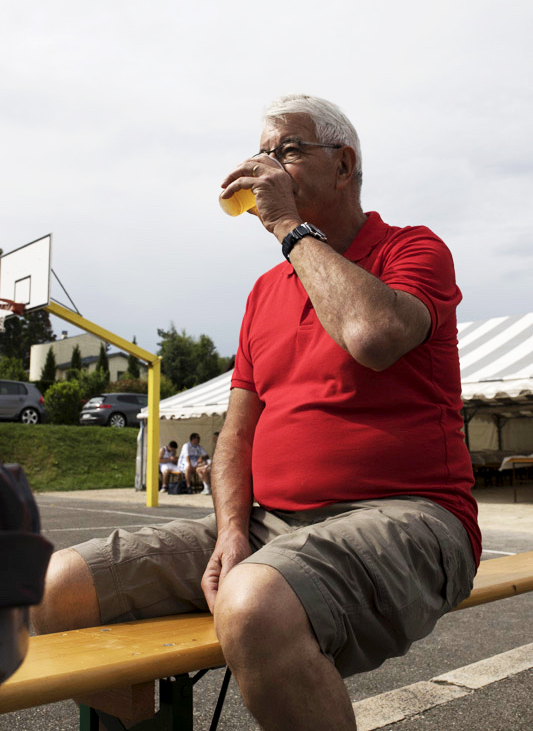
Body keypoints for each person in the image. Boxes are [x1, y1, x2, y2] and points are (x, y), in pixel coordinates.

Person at [33, 95, 480, 731]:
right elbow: (236, 438)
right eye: (260, 153)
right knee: (59, 589)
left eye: (286, 151)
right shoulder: (264, 293)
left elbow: (372, 335)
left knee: (254, 603)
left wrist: (290, 228)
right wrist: (231, 532)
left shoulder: (412, 249)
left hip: (411, 516)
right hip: (270, 526)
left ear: (343, 165)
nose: (264, 167)